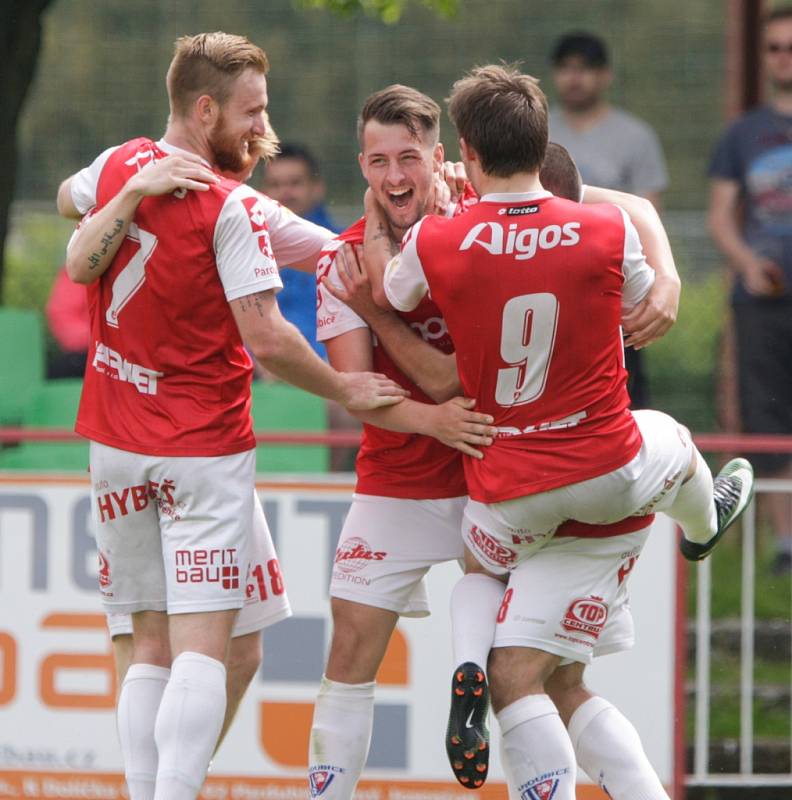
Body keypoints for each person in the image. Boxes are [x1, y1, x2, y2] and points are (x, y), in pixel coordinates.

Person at [371, 64, 755, 800]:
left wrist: (408, 226)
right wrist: (662, 282)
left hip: (507, 490)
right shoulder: (605, 228)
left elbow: (392, 289)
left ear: (468, 155)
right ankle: (705, 525)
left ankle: (467, 661)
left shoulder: (442, 237)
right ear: (545, 140)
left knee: (487, 587)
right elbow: (644, 304)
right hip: (608, 471)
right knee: (671, 436)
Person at [55, 32, 406, 800]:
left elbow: (66, 201)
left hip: (115, 440)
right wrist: (347, 390)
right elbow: (271, 335)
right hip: (200, 449)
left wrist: (125, 194)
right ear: (205, 108)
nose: (263, 128)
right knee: (199, 649)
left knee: (200, 645)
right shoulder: (229, 208)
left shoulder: (121, 163)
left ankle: (160, 784)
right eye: (252, 112)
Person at [312, 87, 676, 798]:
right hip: (405, 482)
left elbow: (605, 199)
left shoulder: (477, 226)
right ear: (361, 165)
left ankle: (474, 676)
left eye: (409, 159)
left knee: (550, 678)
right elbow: (359, 389)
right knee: (351, 649)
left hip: (502, 480)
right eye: (379, 160)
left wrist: (669, 274)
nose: (395, 177)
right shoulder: (345, 262)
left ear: (445, 159)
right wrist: (431, 422)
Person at [708, 6, 792, 575]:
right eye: (774, 48)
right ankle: (787, 548)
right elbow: (720, 218)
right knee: (769, 422)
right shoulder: (742, 133)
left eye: (791, 46)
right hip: (761, 300)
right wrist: (747, 263)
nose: (783, 57)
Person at [548, 31, 669, 409]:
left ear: (605, 76)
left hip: (614, 289)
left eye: (584, 69)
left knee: (624, 402)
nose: (574, 78)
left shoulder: (635, 137)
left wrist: (653, 281)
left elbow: (649, 212)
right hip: (548, 282)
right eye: (566, 68)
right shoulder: (538, 132)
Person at [261, 143, 341, 356]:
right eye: (275, 184)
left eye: (295, 183)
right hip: (261, 377)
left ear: (317, 187)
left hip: (328, 370)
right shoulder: (249, 249)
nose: (285, 192)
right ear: (263, 192)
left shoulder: (342, 247)